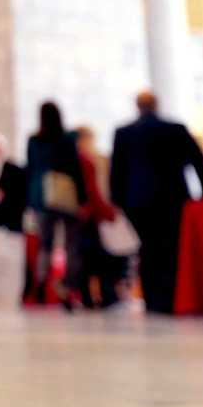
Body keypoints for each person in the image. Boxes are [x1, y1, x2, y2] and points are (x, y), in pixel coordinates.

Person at [110, 91, 203, 314]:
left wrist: (117, 201)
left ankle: (152, 300)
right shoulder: (175, 130)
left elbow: (117, 172)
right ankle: (170, 298)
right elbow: (199, 163)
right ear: (157, 104)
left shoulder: (124, 133)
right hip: (172, 199)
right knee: (171, 250)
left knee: (147, 251)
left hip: (138, 202)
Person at [25, 102, 85, 309]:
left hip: (40, 196)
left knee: (45, 244)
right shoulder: (67, 139)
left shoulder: (34, 141)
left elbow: (30, 170)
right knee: (71, 244)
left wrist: (30, 201)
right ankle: (68, 288)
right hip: (64, 194)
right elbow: (75, 169)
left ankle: (41, 286)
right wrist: (82, 198)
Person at [74, 126, 122, 309]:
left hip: (79, 215)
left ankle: (87, 296)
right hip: (91, 214)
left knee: (86, 258)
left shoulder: (73, 159)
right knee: (100, 258)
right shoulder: (86, 160)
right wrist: (107, 212)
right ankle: (106, 295)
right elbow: (92, 191)